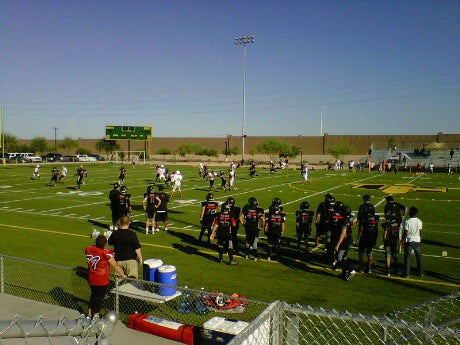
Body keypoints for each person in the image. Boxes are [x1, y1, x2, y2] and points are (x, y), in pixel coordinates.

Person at [85, 234, 126, 318]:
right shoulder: (105, 253)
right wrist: (123, 275)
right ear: (105, 243)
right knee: (99, 298)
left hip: (91, 276)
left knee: (93, 295)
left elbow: (93, 251)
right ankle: (96, 315)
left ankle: (89, 314)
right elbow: (115, 265)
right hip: (101, 279)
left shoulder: (89, 249)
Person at [383, 196, 407, 276]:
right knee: (394, 253)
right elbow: (405, 208)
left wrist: (384, 240)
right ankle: (395, 268)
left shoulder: (388, 222)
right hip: (394, 237)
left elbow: (385, 233)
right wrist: (403, 216)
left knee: (387, 254)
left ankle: (388, 270)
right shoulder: (396, 223)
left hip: (388, 238)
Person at [356, 204, 379, 274]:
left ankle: (361, 268)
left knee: (361, 253)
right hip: (372, 237)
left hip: (364, 237)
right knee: (369, 254)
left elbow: (361, 229)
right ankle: (368, 269)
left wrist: (358, 238)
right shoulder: (376, 218)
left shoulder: (364, 217)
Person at [334, 205, 356, 280]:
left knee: (339, 257)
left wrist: (337, 244)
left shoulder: (343, 220)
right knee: (344, 257)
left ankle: (350, 270)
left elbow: (343, 233)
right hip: (349, 238)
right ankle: (343, 274)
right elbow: (352, 224)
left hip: (345, 240)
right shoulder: (349, 218)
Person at [240, 197, 265, 261]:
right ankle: (255, 256)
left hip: (248, 227)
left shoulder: (246, 208)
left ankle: (246, 255)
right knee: (255, 242)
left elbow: (240, 218)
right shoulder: (259, 210)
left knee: (248, 240)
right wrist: (261, 227)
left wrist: (243, 224)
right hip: (255, 228)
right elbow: (263, 220)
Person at [401, 207, 423, 278]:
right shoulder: (419, 221)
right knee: (419, 257)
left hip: (409, 241)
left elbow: (405, 232)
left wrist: (402, 240)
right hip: (417, 240)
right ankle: (420, 272)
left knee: (407, 258)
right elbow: (420, 231)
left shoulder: (407, 222)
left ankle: (406, 274)